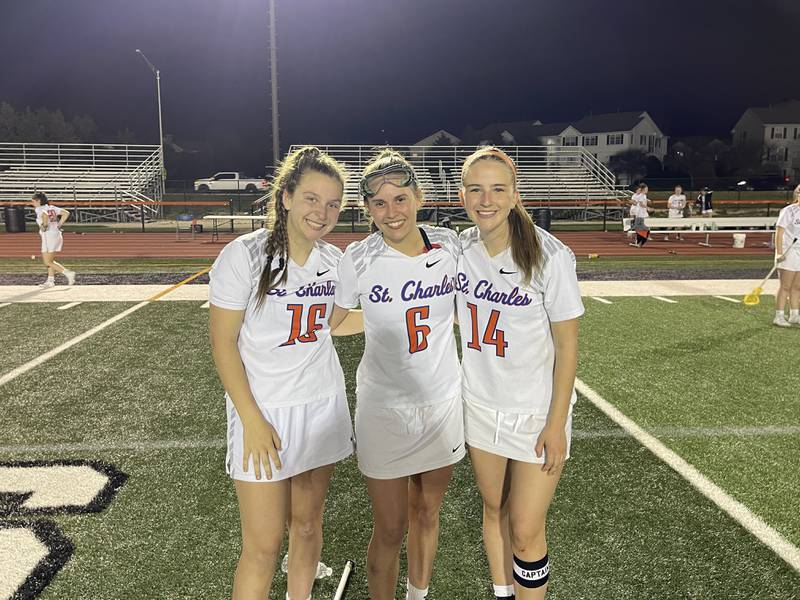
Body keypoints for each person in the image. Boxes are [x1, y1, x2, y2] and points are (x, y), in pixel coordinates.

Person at [209, 146, 360, 600]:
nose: (323, 212)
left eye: (334, 204)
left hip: (322, 404)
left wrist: (399, 311)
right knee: (262, 546)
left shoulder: (335, 262)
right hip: (264, 414)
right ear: (287, 196)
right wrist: (252, 421)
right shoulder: (244, 256)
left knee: (308, 526)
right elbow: (223, 343)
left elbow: (333, 324)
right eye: (313, 198)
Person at [333, 149, 464, 600]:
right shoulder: (358, 258)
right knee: (390, 527)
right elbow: (336, 319)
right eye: (380, 203)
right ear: (367, 209)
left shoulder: (451, 245)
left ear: (419, 196)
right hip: (383, 408)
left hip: (442, 401)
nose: (392, 212)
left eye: (401, 198)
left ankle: (417, 595)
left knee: (428, 512)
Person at [456, 147, 584, 600]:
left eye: (497, 189)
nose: (485, 199)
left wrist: (555, 423)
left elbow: (568, 346)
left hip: (534, 414)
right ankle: (501, 593)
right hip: (480, 405)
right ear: (462, 195)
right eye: (476, 189)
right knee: (494, 510)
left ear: (515, 195)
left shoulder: (550, 255)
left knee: (527, 529)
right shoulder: (460, 250)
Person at [30, 192, 76, 288]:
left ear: (39, 201)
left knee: (47, 262)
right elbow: (66, 213)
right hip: (54, 234)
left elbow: (45, 215)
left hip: (49, 236)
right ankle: (50, 281)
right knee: (50, 260)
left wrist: (45, 225)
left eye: (33, 201)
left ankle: (68, 273)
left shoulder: (39, 209)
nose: (32, 203)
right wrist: (59, 225)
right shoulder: (52, 207)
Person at [773, 184, 800, 327]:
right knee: (785, 285)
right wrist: (779, 252)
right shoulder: (789, 211)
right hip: (787, 251)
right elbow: (779, 232)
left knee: (797, 286)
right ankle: (779, 316)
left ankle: (795, 315)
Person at [628, 183, 650, 247]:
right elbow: (641, 204)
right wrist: (648, 208)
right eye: (646, 189)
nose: (647, 190)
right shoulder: (641, 195)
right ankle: (638, 242)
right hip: (640, 215)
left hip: (643, 214)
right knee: (643, 229)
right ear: (643, 189)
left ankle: (638, 242)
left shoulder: (643, 195)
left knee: (644, 229)